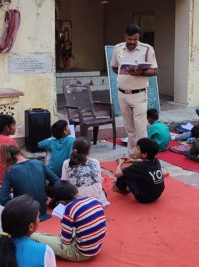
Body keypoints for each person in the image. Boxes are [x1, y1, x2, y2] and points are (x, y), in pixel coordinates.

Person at [111, 24, 158, 158]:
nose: (132, 42)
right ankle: (132, 154)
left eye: (135, 40)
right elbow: (115, 67)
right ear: (125, 37)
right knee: (129, 128)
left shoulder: (147, 49)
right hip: (122, 93)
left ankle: (144, 156)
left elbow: (155, 71)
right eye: (129, 39)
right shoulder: (117, 48)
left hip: (139, 94)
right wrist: (125, 73)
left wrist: (140, 72)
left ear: (138, 37)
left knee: (140, 128)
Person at [32, 181, 107, 261]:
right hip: (96, 247)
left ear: (62, 201)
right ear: (75, 190)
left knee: (33, 236)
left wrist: (64, 222)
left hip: (81, 253)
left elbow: (65, 241)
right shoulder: (93, 200)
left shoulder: (70, 208)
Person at [0, 145, 59, 221]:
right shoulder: (39, 163)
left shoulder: (10, 171)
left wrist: (16, 206)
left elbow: (2, 199)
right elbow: (57, 181)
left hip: (25, 213)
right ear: (21, 152)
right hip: (42, 211)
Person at [113, 138, 165, 203]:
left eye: (137, 149)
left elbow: (117, 174)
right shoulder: (155, 160)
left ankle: (121, 188)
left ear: (144, 154)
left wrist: (120, 163)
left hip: (143, 198)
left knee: (125, 171)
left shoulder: (138, 166)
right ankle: (136, 188)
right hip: (157, 194)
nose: (135, 150)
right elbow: (142, 161)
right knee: (137, 173)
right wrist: (131, 160)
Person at [60, 137, 110, 206]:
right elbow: (98, 181)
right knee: (101, 191)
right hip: (96, 199)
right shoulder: (95, 162)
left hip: (77, 201)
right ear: (88, 151)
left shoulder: (66, 163)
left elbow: (64, 183)